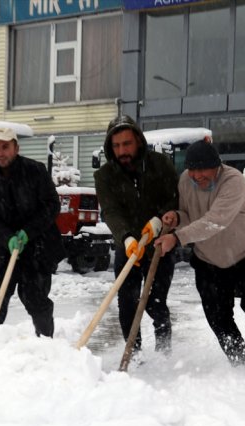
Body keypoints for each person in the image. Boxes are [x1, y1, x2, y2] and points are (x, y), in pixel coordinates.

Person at [154, 140, 245, 365]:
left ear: (217, 166)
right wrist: (177, 218)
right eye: (192, 170)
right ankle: (241, 363)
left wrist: (177, 238)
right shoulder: (185, 182)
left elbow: (216, 220)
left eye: (202, 169)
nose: (197, 175)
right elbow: (192, 215)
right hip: (209, 260)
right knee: (218, 316)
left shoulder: (233, 181)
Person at [94, 115, 179, 354]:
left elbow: (175, 197)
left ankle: (164, 353)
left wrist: (158, 219)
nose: (122, 151)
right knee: (127, 304)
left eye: (127, 143)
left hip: (160, 245)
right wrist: (126, 237)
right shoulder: (105, 176)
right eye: (117, 145)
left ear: (138, 142)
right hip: (129, 246)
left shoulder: (159, 164)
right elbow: (110, 210)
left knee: (155, 302)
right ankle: (135, 352)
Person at [0, 127, 66, 337]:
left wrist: (28, 232)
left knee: (35, 298)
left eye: (5, 147)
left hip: (37, 245)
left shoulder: (35, 171)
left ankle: (46, 343)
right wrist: (7, 238)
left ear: (16, 148)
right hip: (2, 247)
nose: (1, 153)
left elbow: (51, 206)